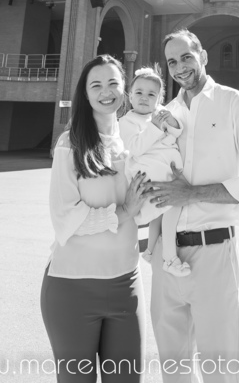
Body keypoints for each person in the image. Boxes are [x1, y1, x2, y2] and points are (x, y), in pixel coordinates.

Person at [146, 29, 239, 383]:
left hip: (213, 250)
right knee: (173, 369)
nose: (180, 67)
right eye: (172, 61)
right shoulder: (165, 114)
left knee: (222, 370)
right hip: (164, 257)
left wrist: (192, 194)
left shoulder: (234, 103)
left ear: (203, 56)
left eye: (186, 57)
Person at [42, 55, 148, 383]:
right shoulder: (70, 144)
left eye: (114, 83)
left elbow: (150, 201)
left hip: (126, 285)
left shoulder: (136, 143)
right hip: (73, 287)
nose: (106, 91)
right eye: (96, 84)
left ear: (125, 90)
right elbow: (65, 220)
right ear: (85, 94)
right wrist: (125, 211)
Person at [118, 66, 190, 277]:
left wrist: (172, 124)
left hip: (164, 168)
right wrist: (157, 128)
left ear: (159, 98)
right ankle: (169, 257)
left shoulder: (157, 117)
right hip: (148, 172)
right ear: (129, 96)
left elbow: (170, 137)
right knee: (173, 205)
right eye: (139, 92)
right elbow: (135, 148)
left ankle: (149, 250)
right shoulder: (127, 121)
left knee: (160, 213)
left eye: (151, 94)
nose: (144, 98)